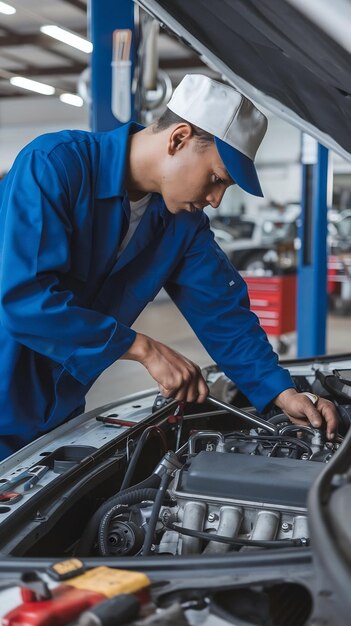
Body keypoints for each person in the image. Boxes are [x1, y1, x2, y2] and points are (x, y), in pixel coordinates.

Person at [0, 74, 337, 459]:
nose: (214, 200)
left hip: (57, 407)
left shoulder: (181, 223)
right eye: (216, 179)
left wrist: (282, 392)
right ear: (178, 139)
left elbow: (222, 311)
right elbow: (25, 301)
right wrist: (143, 348)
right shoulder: (55, 166)